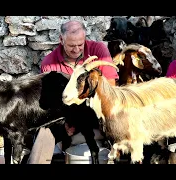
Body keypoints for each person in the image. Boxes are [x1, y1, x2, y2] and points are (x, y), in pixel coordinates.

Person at [27, 20, 119, 164]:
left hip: (97, 117)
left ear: (85, 39)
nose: (76, 49)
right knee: (43, 138)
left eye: (80, 45)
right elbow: (51, 102)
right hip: (67, 118)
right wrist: (64, 125)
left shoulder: (99, 51)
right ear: (61, 40)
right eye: (71, 46)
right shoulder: (49, 63)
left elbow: (111, 90)